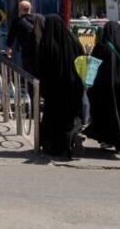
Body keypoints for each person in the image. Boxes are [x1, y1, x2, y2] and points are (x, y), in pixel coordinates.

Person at [36, 14, 85, 159]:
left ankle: (53, 146)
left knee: (53, 117)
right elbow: (82, 60)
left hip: (54, 89)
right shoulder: (74, 40)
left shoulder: (46, 44)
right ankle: (70, 141)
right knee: (69, 116)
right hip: (74, 86)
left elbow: (41, 69)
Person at [85, 20, 120, 153]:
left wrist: (88, 84)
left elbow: (94, 66)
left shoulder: (102, 46)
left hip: (106, 86)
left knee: (107, 112)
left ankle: (110, 140)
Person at [6, 0, 41, 76]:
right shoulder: (39, 18)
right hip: (40, 52)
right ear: (30, 8)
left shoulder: (17, 22)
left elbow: (11, 36)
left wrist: (9, 48)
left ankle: (31, 87)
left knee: (29, 75)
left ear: (20, 9)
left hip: (27, 53)